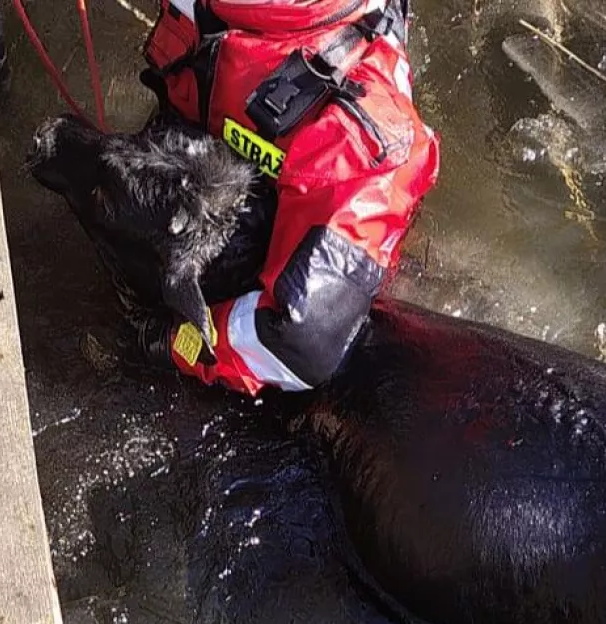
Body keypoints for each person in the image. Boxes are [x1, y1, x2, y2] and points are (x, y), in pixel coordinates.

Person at [128, 0, 440, 395]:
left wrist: (172, 344)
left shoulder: (359, 137)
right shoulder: (213, 10)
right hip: (204, 188)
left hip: (269, 342)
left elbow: (298, 342)